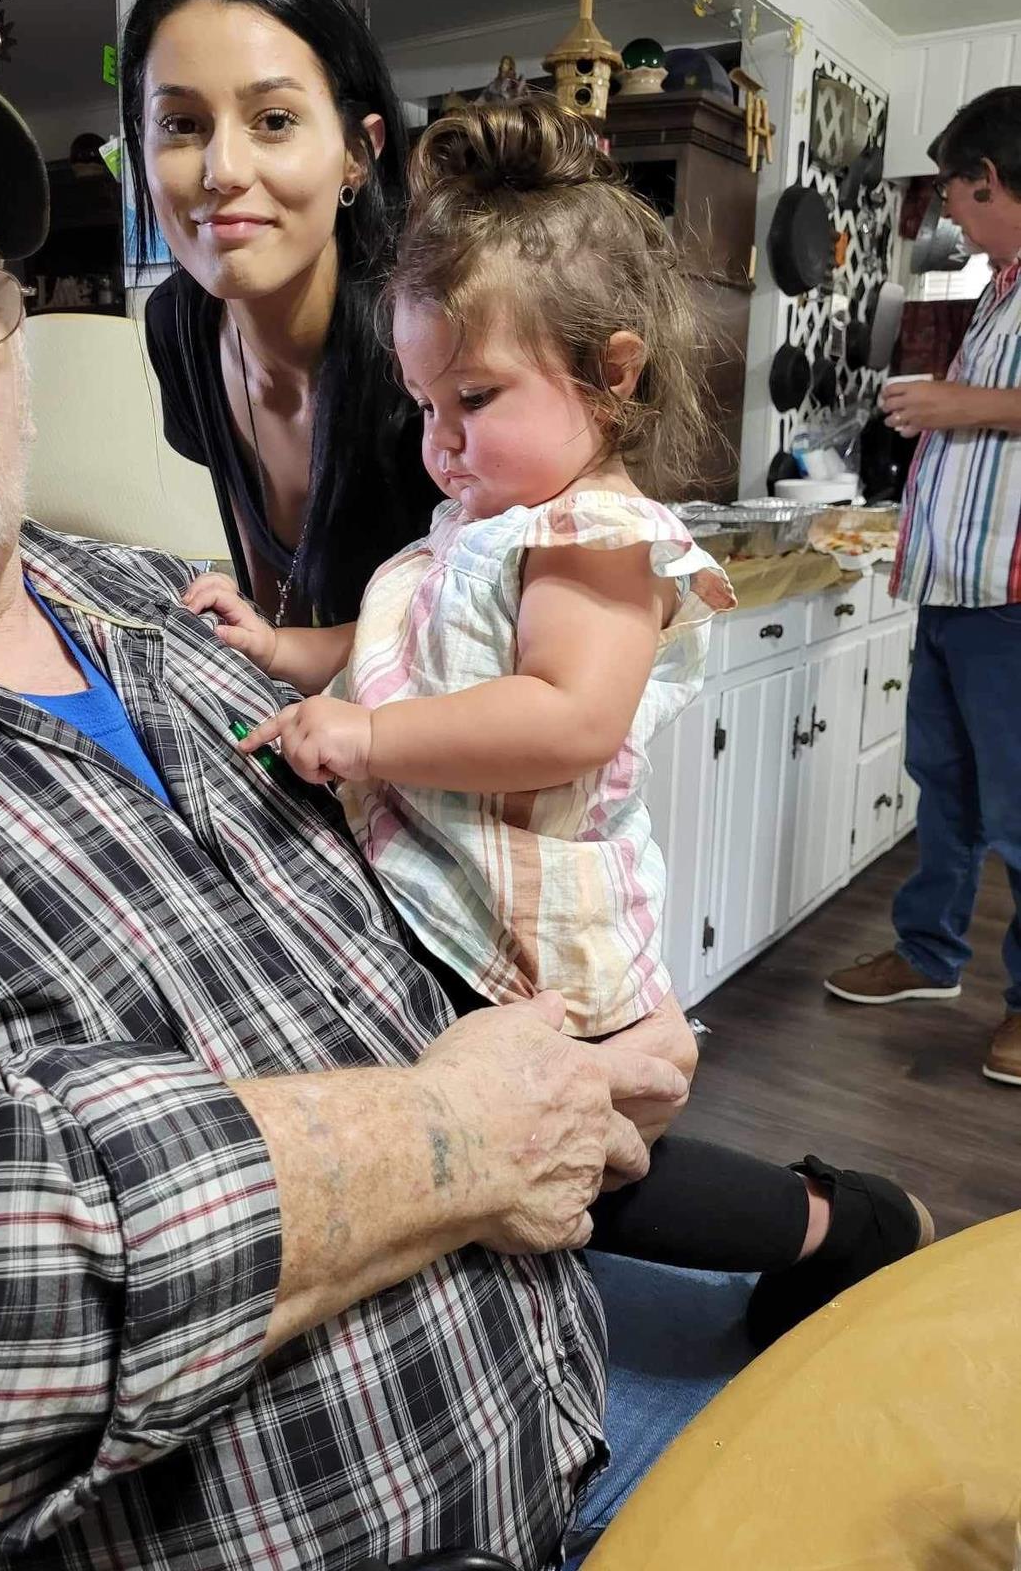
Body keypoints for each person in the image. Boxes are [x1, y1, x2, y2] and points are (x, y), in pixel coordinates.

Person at [0, 11, 708, 1571]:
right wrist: (452, 1136)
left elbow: (441, 867)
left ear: (7, 332)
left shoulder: (155, 603)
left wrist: (587, 1053)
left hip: (548, 1483)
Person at [187, 96, 933, 1355]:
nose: (440, 443)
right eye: (424, 404)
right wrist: (282, 650)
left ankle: (841, 1225)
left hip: (533, 920)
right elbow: (394, 657)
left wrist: (365, 745)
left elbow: (567, 718)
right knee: (488, 1155)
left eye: (473, 396)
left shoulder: (593, 538)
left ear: (615, 371)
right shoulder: (478, 523)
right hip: (451, 887)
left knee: (587, 1170)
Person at [123, 0, 442, 628]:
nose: (224, 169)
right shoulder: (179, 326)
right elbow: (276, 604)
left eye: (274, 121)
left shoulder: (433, 343)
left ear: (357, 154)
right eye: (180, 124)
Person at [826, 87, 1021, 1088]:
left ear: (990, 181)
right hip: (955, 588)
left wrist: (962, 402)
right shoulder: (1001, 287)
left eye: (958, 196)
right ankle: (930, 955)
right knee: (944, 787)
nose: (952, 217)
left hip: (1015, 599)